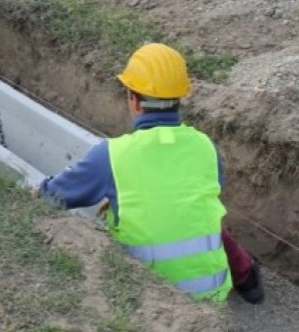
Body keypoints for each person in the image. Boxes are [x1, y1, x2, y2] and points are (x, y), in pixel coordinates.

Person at [39, 43, 264, 304]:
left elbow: (52, 196)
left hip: (150, 300)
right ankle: (246, 275)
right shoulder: (206, 146)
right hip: (211, 295)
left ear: (133, 100)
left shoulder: (111, 154)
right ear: (179, 99)